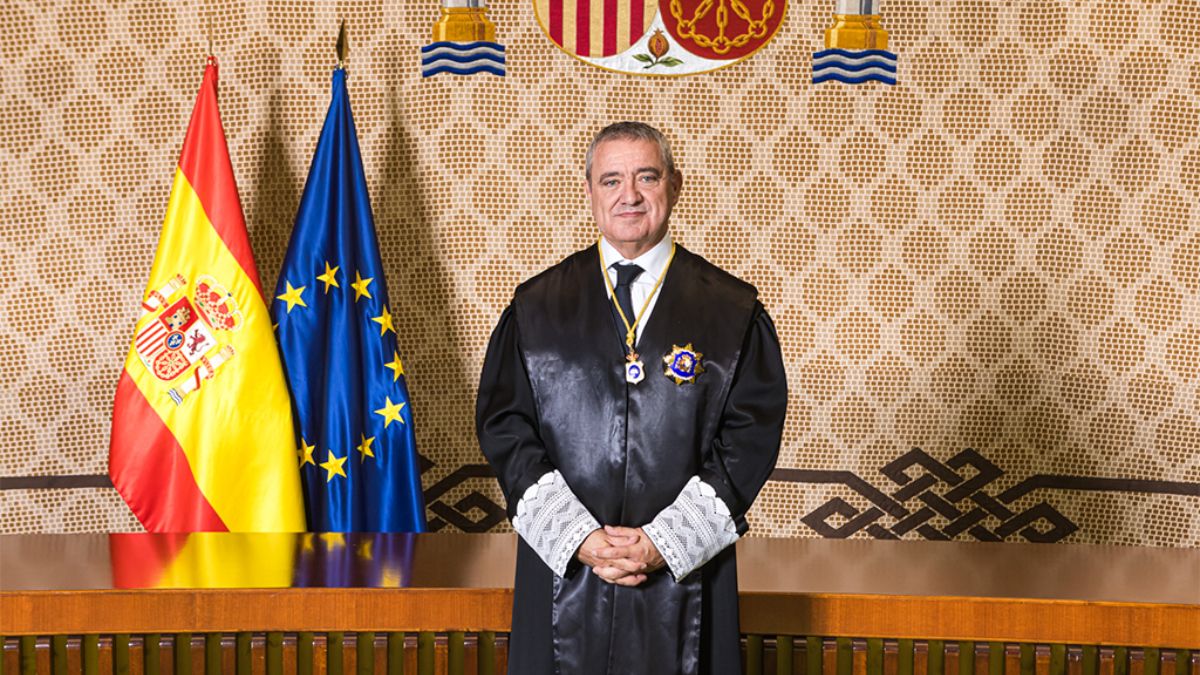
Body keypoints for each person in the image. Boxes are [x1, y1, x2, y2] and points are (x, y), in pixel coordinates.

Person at [476, 121, 787, 675]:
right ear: (590, 191)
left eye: (647, 177)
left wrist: (663, 543)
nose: (630, 195)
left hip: (687, 574)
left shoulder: (732, 312)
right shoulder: (535, 308)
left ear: (675, 185)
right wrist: (580, 537)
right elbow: (506, 429)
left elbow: (749, 438)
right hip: (564, 569)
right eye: (612, 180)